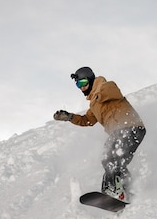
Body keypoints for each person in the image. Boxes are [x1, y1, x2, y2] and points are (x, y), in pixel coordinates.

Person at [54, 66, 146, 201]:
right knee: (109, 160)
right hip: (118, 132)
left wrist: (99, 95)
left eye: (84, 83)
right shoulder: (93, 105)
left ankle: (114, 190)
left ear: (91, 80)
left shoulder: (105, 86)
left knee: (112, 160)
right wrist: (69, 117)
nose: (82, 88)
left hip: (130, 127)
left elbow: (112, 91)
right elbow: (87, 120)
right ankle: (126, 190)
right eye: (78, 85)